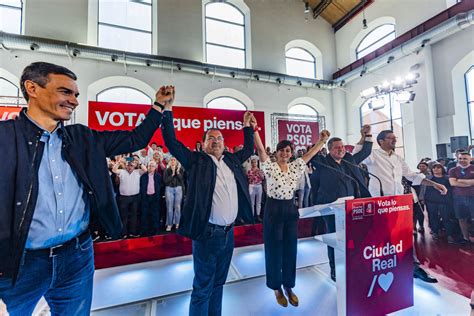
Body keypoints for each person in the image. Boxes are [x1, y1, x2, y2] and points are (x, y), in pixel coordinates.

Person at [0, 62, 172, 315]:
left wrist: (158, 105)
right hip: (21, 263)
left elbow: (135, 138)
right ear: (32, 88)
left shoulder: (82, 138)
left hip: (77, 256)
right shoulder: (5, 138)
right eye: (65, 92)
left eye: (76, 95)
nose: (74, 101)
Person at [160, 92, 254, 316]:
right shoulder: (196, 161)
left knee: (219, 284)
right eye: (211, 138)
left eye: (219, 138)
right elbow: (172, 143)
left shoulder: (231, 160)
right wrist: (168, 110)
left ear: (224, 143)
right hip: (207, 234)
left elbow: (249, 150)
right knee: (203, 287)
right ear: (203, 144)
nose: (216, 141)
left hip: (228, 233)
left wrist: (247, 127)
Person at [251, 114, 330, 308]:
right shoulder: (269, 166)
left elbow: (309, 154)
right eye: (282, 150)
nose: (285, 153)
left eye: (288, 150)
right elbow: (261, 149)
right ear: (276, 152)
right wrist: (254, 129)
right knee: (273, 249)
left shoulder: (296, 167)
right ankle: (276, 287)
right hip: (273, 209)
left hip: (289, 209)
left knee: (290, 249)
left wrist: (322, 141)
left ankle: (288, 285)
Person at [359, 130, 447, 283]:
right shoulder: (372, 155)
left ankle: (413, 268)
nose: (394, 140)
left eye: (395, 138)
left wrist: (434, 184)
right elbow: (356, 154)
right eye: (390, 138)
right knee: (381, 237)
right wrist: (364, 137)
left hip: (398, 204)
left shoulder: (398, 158)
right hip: (379, 203)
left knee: (403, 236)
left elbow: (413, 176)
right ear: (381, 141)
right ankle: (379, 267)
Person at [310, 125, 373, 282]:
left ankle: (352, 265)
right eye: (337, 147)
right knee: (334, 240)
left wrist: (368, 135)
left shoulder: (349, 161)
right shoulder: (322, 162)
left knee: (352, 238)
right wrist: (321, 141)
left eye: (342, 147)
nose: (341, 149)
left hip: (352, 209)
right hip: (330, 209)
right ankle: (334, 269)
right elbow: (310, 157)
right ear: (330, 149)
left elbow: (365, 152)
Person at [112, 158, 147, 238]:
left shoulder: (137, 171)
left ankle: (132, 232)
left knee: (134, 216)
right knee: (123, 216)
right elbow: (114, 170)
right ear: (126, 166)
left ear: (134, 166)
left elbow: (145, 170)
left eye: (131, 165)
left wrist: (139, 162)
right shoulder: (122, 171)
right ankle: (123, 233)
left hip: (135, 197)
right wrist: (119, 162)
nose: (130, 167)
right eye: (128, 165)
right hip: (124, 198)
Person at [448, 152, 474, 243]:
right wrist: (470, 182)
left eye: (465, 158)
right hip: (458, 197)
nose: (462, 160)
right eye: (460, 158)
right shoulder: (453, 170)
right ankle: (465, 238)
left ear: (470, 159)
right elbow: (453, 183)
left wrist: (460, 181)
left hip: (472, 197)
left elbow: (457, 182)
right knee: (461, 218)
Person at [140, 160, 162, 236]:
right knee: (144, 214)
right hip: (145, 198)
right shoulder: (143, 176)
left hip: (154, 198)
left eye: (152, 166)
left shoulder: (158, 176)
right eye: (149, 166)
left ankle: (155, 230)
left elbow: (160, 186)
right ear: (147, 166)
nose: (151, 167)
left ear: (155, 167)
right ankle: (144, 231)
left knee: (155, 215)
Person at [163, 156, 185, 232]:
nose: (173, 161)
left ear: (176, 162)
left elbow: (181, 180)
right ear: (169, 162)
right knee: (169, 207)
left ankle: (177, 223)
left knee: (178, 207)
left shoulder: (180, 170)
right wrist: (172, 174)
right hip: (169, 189)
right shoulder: (167, 170)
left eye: (174, 160)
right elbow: (165, 181)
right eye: (171, 160)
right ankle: (169, 224)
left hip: (178, 189)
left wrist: (177, 172)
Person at [247, 155, 265, 221]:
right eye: (253, 162)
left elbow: (263, 178)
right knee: (252, 202)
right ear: (251, 163)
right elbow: (249, 180)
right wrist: (254, 173)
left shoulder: (260, 170)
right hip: (252, 186)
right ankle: (252, 216)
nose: (254, 164)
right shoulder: (249, 171)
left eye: (255, 162)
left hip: (259, 186)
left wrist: (260, 173)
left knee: (258, 202)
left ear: (257, 163)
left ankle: (258, 215)